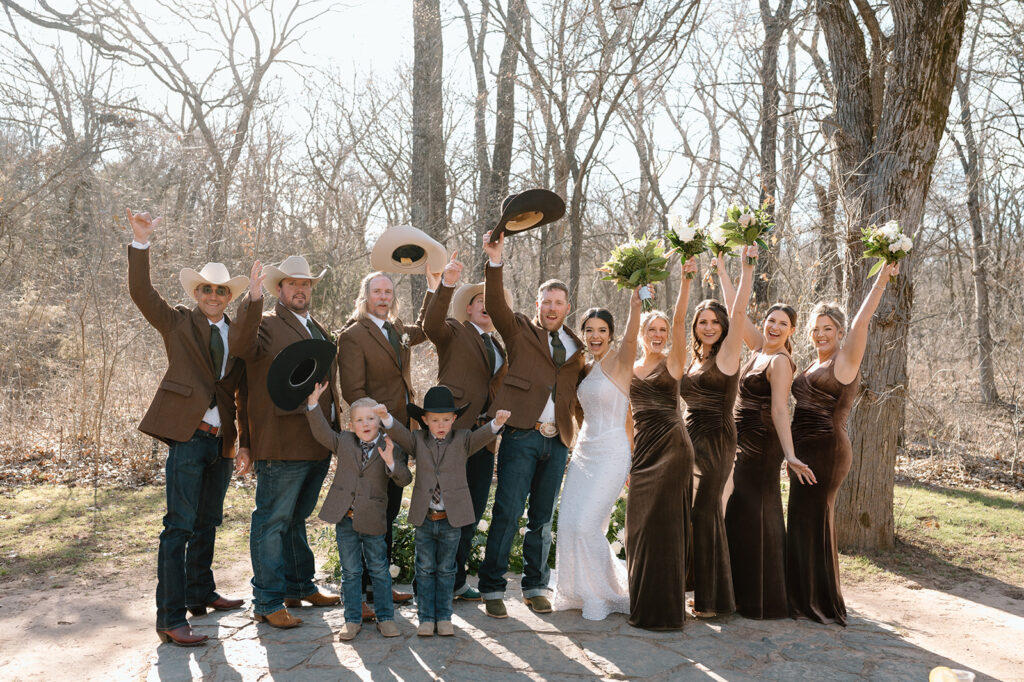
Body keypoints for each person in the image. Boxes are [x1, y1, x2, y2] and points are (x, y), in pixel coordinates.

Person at [125, 208, 249, 646]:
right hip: (187, 435)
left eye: (220, 290)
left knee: (208, 521)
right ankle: (169, 616)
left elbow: (239, 392)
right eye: (206, 289)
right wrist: (140, 242)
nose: (213, 295)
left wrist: (242, 444)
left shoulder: (239, 334)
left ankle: (200, 592)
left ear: (228, 295)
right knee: (178, 526)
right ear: (197, 292)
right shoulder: (178, 321)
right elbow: (141, 292)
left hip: (222, 442)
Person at [476, 230, 586, 618]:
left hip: (557, 442)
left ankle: (536, 585)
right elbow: (495, 305)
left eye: (559, 302)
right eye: (547, 301)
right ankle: (491, 588)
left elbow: (579, 397)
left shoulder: (577, 347)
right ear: (537, 303)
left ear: (568, 307)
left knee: (541, 518)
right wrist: (495, 260)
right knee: (507, 511)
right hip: (521, 435)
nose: (552, 307)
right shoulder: (519, 329)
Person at [230, 256, 342, 628]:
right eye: (293, 283)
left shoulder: (319, 329)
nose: (300, 289)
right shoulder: (265, 324)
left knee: (296, 519)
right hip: (280, 440)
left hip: (317, 441)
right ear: (280, 289)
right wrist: (253, 297)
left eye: (306, 284)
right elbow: (242, 346)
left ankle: (299, 585)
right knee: (272, 521)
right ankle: (267, 600)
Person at [786, 263, 900, 625]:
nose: (821, 335)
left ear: (839, 332)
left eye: (828, 329)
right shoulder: (810, 363)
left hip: (828, 449)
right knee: (802, 520)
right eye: (816, 329)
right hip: (802, 451)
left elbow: (862, 323)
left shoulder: (845, 361)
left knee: (814, 518)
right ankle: (801, 595)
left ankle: (819, 601)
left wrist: (881, 279)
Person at [336, 270, 434, 615]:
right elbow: (354, 392)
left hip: (401, 434)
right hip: (374, 439)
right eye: (377, 291)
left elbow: (426, 327)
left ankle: (381, 588)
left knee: (389, 512)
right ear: (365, 296)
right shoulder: (352, 336)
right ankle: (361, 593)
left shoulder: (396, 329)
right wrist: (376, 434)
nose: (383, 297)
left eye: (388, 292)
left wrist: (437, 287)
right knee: (370, 511)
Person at [376, 388, 510, 636]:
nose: (441, 425)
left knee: (447, 569)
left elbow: (483, 436)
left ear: (454, 419)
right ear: (424, 420)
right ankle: (426, 617)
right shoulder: (417, 440)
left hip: (451, 519)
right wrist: (385, 418)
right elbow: (400, 434)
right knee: (425, 568)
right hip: (425, 518)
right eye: (435, 420)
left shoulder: (463, 439)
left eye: (446, 419)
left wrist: (497, 423)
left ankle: (444, 616)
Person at [422, 252, 509, 602]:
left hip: (484, 438)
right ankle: (433, 582)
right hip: (452, 434)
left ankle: (456, 579)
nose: (486, 306)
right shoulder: (454, 332)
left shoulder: (498, 344)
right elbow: (430, 325)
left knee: (471, 509)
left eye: (491, 302)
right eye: (479, 301)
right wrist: (447, 284)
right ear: (468, 309)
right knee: (444, 509)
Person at [552, 287, 642, 621]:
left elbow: (632, 340)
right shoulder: (586, 370)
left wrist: (634, 305)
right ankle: (579, 589)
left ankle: (605, 593)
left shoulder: (621, 362)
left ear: (611, 334)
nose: (594, 336)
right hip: (583, 454)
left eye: (601, 330)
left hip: (613, 453)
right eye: (589, 330)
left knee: (588, 524)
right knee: (570, 523)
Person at [679, 245, 757, 617]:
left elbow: (740, 310)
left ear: (724, 326)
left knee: (706, 513)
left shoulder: (727, 356)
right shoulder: (696, 360)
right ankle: (694, 587)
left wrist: (740, 269)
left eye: (714, 321)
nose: (708, 327)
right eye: (702, 322)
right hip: (688, 437)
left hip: (717, 440)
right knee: (692, 514)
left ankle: (713, 600)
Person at [304, 385, 412, 641]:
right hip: (346, 518)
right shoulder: (343, 441)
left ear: (379, 422)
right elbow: (321, 432)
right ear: (351, 425)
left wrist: (390, 463)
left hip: (373, 518)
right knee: (351, 571)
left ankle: (385, 618)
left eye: (371, 419)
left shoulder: (390, 446)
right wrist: (312, 404)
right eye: (359, 420)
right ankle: (352, 619)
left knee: (379, 570)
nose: (366, 424)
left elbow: (405, 479)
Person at [626, 256, 698, 630]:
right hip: (643, 453)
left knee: (666, 526)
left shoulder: (673, 362)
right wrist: (630, 455)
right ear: (642, 333)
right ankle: (640, 601)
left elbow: (683, 320)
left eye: (662, 329)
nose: (657, 334)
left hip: (672, 448)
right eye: (651, 329)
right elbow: (627, 418)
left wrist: (686, 281)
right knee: (638, 528)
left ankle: (666, 611)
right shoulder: (630, 367)